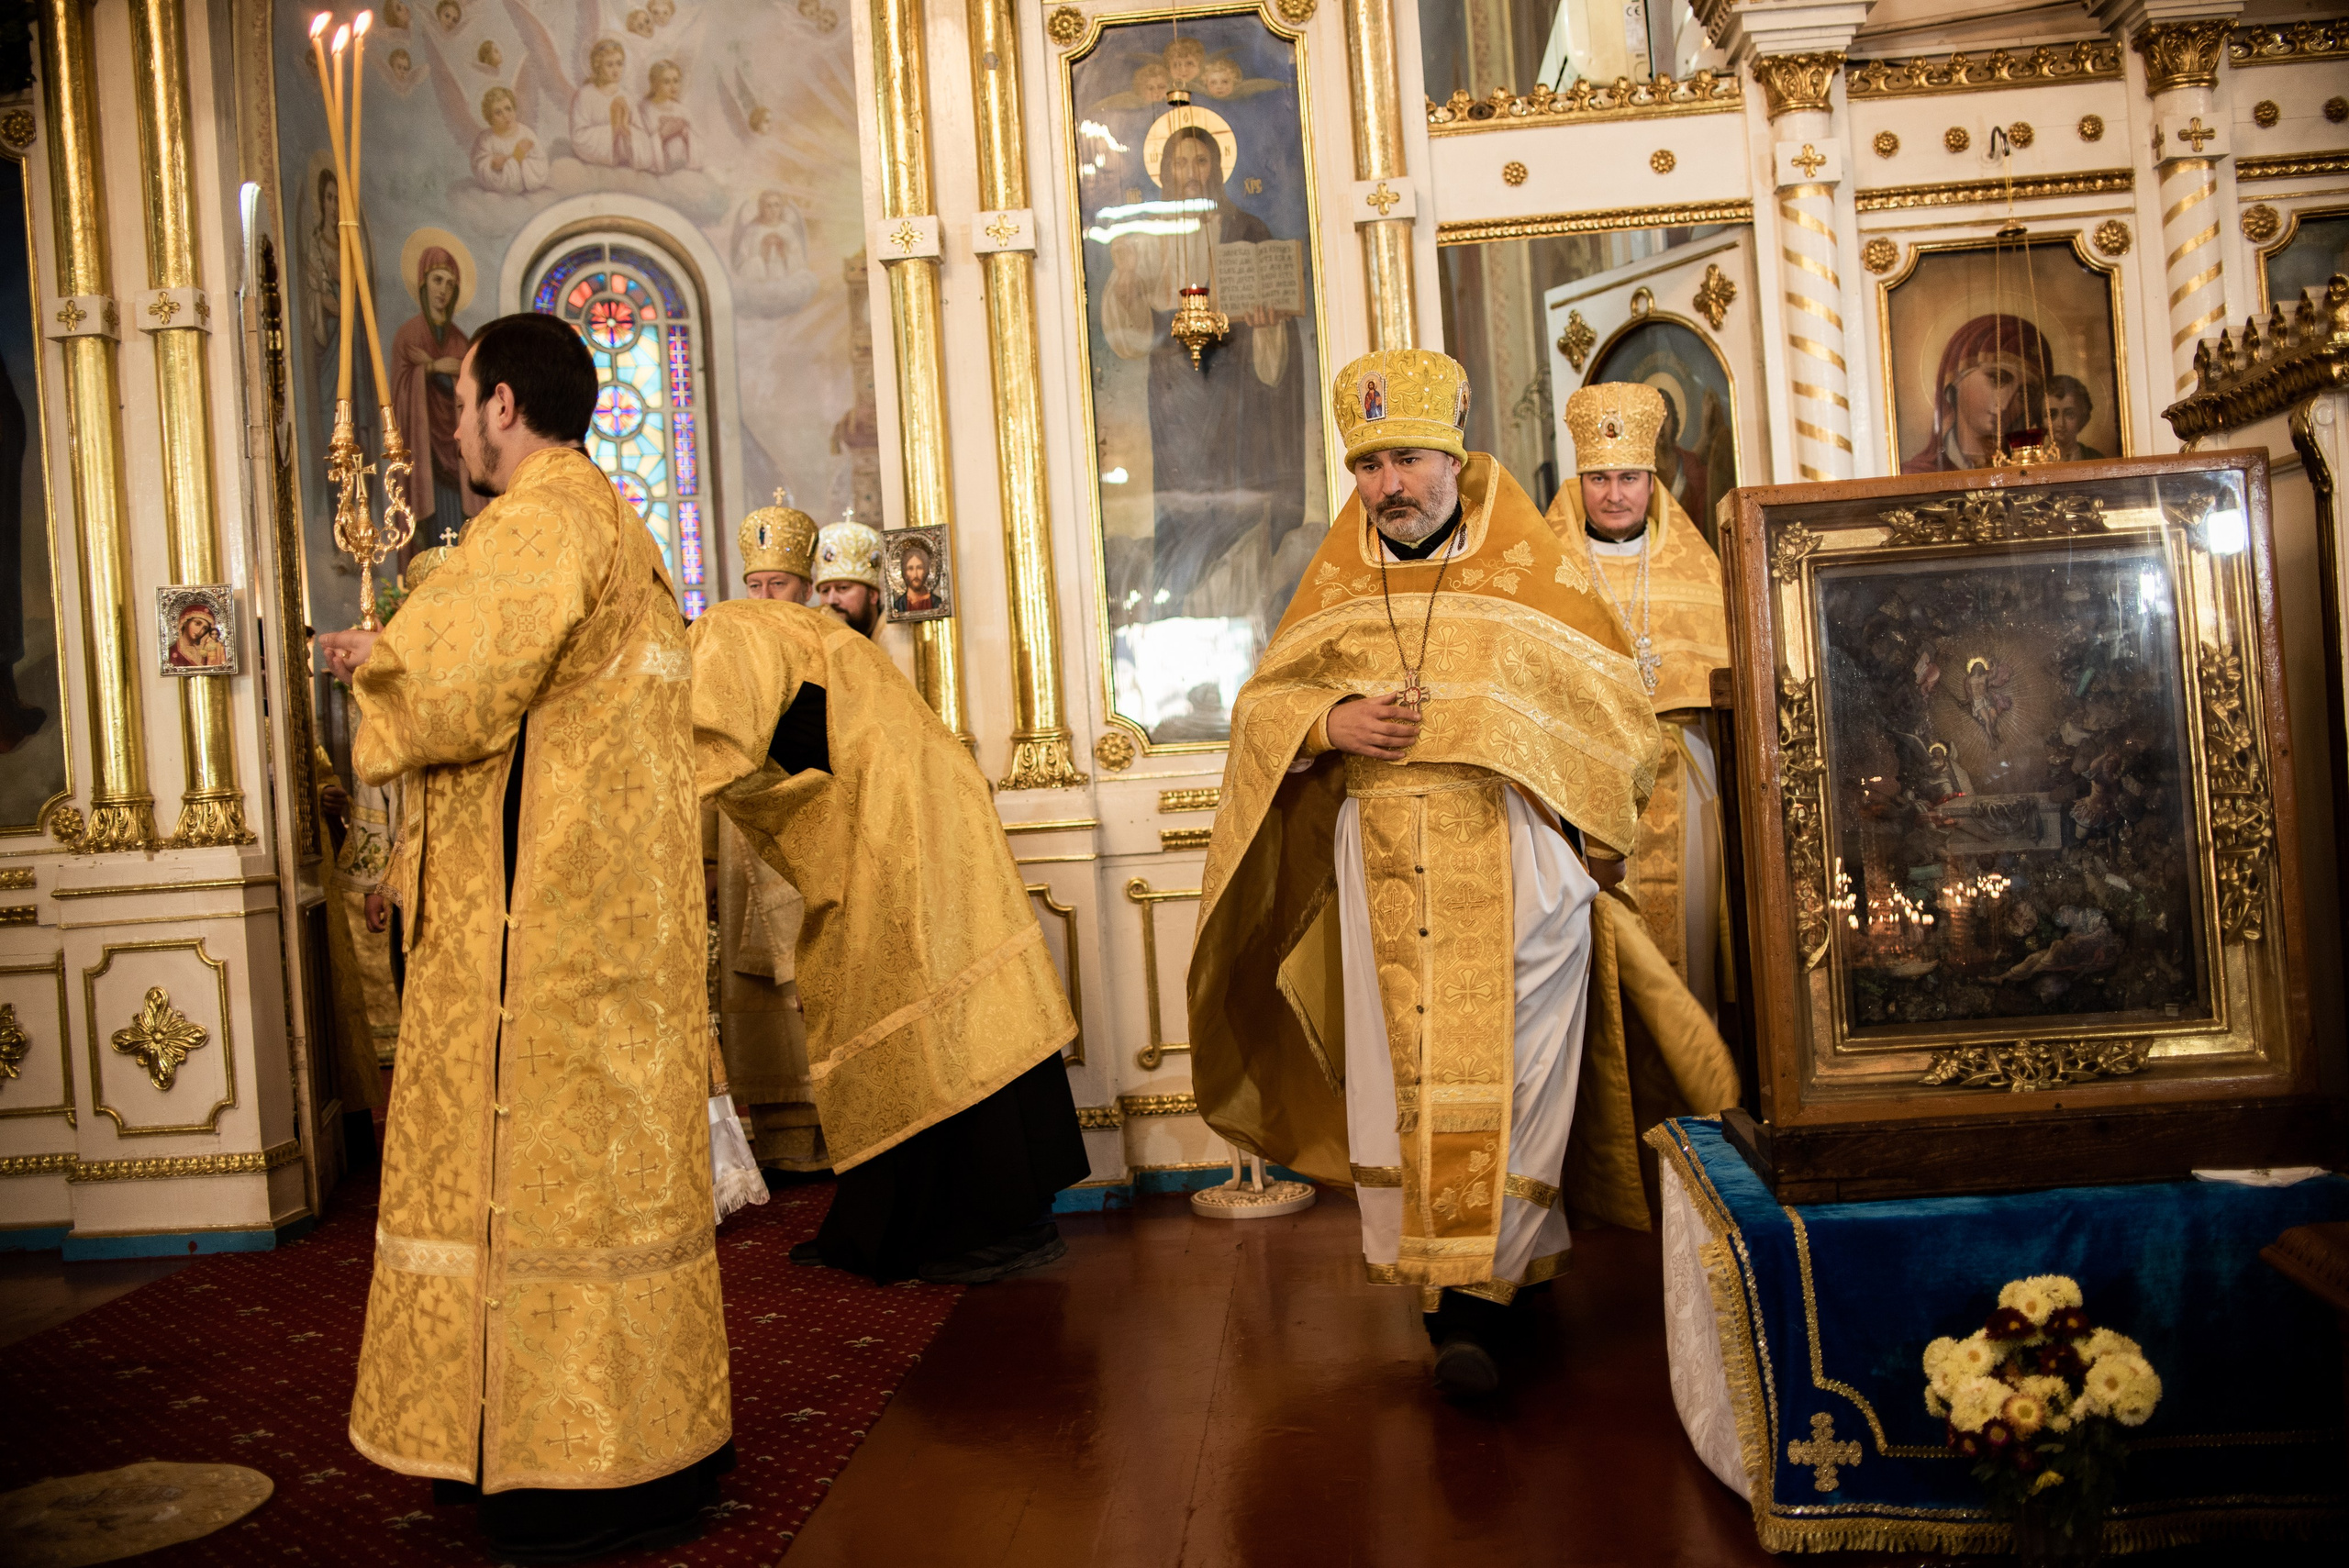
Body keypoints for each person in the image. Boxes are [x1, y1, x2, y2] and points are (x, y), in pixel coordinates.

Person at [1186, 350, 1739, 1397]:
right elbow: (1264, 704)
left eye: (1405, 458)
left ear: (1451, 453)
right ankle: (1459, 1296)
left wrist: (1534, 761)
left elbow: (1618, 711)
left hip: (1517, 861)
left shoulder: (1532, 564)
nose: (1386, 484)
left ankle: (1480, 1299)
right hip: (1381, 865)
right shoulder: (1338, 574)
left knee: (1521, 1077)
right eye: (1366, 464)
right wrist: (1324, 719)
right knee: (1408, 1082)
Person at [317, 313, 730, 1563]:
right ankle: (631, 1445)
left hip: (537, 954)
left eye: (458, 404)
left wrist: (372, 667)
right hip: (608, 942)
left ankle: (556, 1461)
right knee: (603, 1202)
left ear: (503, 403)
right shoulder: (619, 523)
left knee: (537, 1199)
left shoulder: (542, 518)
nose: (452, 426)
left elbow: (449, 690)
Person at [686, 598, 1089, 1284]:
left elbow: (705, 749)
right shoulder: (751, 626)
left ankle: (993, 1226)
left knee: (924, 1016)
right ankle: (889, 1219)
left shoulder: (717, 634)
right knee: (922, 1013)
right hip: (902, 815)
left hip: (892, 830)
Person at [1546, 383, 1731, 1014]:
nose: (1615, 493)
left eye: (1630, 476)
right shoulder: (1551, 574)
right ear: (1580, 483)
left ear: (1654, 481)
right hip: (1586, 791)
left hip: (1682, 779)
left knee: (1693, 942)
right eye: (1599, 477)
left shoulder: (1693, 569)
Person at [1102, 117, 1304, 617]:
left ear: (1217, 167)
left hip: (1237, 394)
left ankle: (1241, 609)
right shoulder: (1148, 238)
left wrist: (1267, 324)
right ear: (1165, 171)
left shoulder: (1248, 229)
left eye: (1200, 160)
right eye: (1179, 162)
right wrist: (1126, 283)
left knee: (1235, 498)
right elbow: (1127, 336)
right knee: (1183, 500)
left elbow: (1276, 330)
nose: (1190, 171)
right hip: (1175, 395)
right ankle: (1183, 608)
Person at [709, 494, 828, 1173]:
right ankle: (780, 1144)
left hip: (804, 827)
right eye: (754, 585)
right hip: (740, 838)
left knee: (809, 977)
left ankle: (833, 1133)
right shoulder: (733, 650)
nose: (763, 596)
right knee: (757, 996)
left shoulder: (825, 647)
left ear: (804, 588)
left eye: (776, 584)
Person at [388, 247, 477, 558]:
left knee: (460, 534)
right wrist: (431, 369)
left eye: (450, 284)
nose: (443, 290)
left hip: (457, 453)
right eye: (438, 280)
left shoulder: (459, 340)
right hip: (423, 451)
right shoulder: (409, 336)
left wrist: (447, 370)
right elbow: (400, 391)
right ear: (424, 283)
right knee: (430, 534)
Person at [1902, 314, 2053, 473]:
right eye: (1997, 379)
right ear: (1957, 376)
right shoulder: (1918, 474)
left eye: (2024, 395)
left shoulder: (2031, 473)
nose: (2006, 403)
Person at [570, 37, 656, 171]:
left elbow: (641, 133)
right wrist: (614, 130)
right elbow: (579, 136)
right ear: (598, 66)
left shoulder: (627, 97)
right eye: (609, 65)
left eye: (619, 63)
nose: (616, 70)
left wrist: (626, 131)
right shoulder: (585, 95)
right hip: (599, 154)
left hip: (625, 150)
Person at [811, 515, 885, 636]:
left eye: (843, 588)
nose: (831, 601)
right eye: (825, 591)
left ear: (872, 595)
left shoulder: (896, 643)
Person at [471, 86, 548, 195]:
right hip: (498, 197)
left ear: (514, 109)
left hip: (528, 195)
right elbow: (480, 168)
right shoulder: (485, 140)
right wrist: (494, 165)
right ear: (490, 118)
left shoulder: (526, 134)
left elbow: (541, 165)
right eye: (498, 112)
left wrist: (521, 162)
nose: (506, 116)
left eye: (508, 108)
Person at [2044, 373, 2104, 462]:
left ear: (2082, 418)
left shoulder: (2095, 458)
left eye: (2070, 415)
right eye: (2052, 415)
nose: (2061, 423)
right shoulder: (2036, 460)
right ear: (2041, 419)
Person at [891, 541, 941, 616]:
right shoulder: (898, 606)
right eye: (910, 569)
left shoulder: (937, 603)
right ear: (905, 573)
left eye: (919, 568)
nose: (915, 574)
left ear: (926, 570)